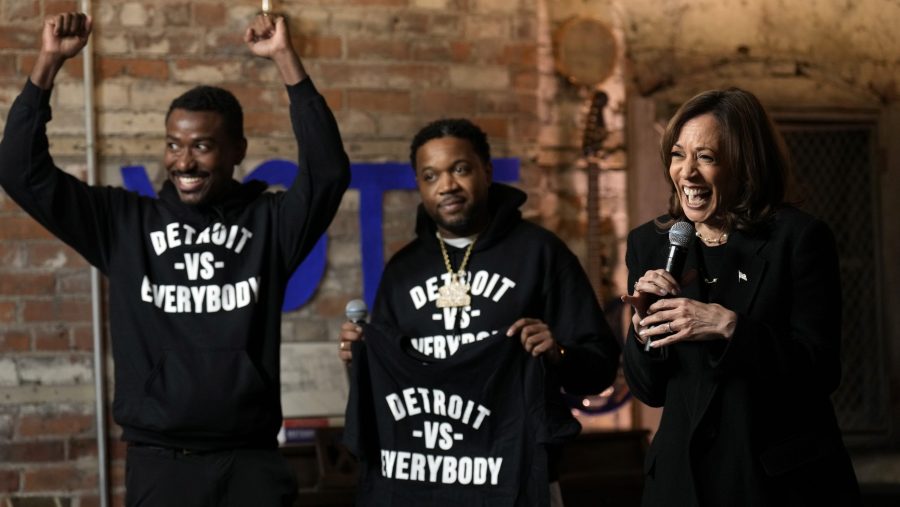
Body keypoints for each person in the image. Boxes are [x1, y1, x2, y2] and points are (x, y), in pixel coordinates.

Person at [0, 11, 350, 507]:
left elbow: (328, 173)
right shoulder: (122, 223)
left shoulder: (269, 225)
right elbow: (19, 171)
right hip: (160, 464)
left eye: (202, 146)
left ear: (236, 152)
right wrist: (48, 62)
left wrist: (284, 59)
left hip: (249, 462)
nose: (183, 162)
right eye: (174, 145)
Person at [338, 118, 621, 505]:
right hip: (426, 483)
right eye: (431, 175)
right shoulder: (403, 271)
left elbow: (602, 367)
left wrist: (558, 354)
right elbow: (387, 392)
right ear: (420, 187)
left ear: (486, 172)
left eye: (460, 169)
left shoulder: (540, 254)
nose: (447, 185)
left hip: (518, 480)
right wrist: (358, 362)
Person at [621, 88, 860, 506]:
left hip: (772, 482)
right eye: (679, 155)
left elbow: (821, 371)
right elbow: (649, 390)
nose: (687, 174)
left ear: (746, 166)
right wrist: (643, 332)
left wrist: (729, 327)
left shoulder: (798, 239)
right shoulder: (651, 244)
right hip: (680, 485)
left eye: (707, 158)